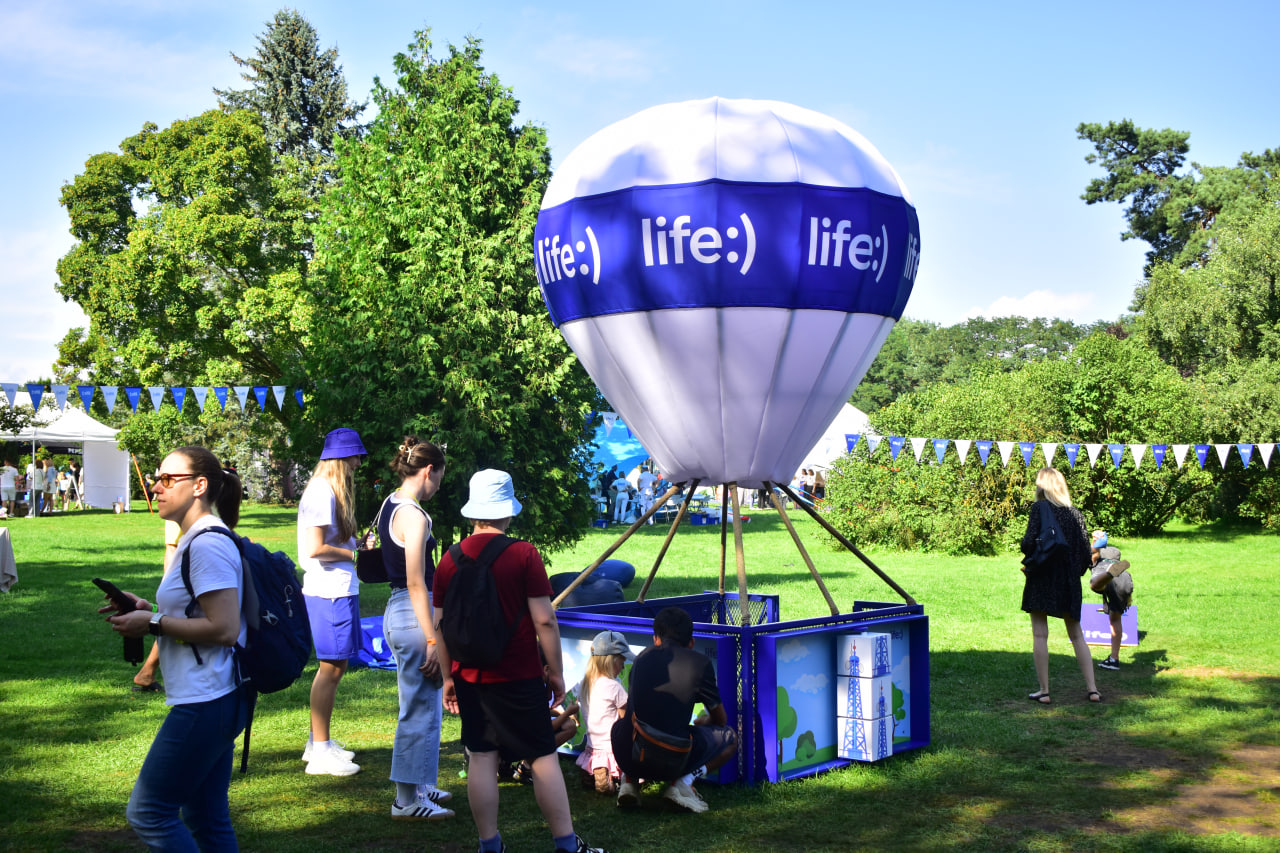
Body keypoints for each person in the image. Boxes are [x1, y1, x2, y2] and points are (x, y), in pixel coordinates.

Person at [433, 469, 607, 853]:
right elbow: (544, 619)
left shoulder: (449, 560)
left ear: (474, 511)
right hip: (518, 674)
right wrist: (557, 672)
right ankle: (565, 844)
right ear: (507, 511)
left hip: (469, 676)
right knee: (542, 754)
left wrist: (448, 677)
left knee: (480, 756)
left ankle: (489, 845)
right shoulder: (523, 554)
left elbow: (439, 625)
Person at [99, 446, 253, 850]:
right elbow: (195, 610)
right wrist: (146, 609)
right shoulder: (195, 540)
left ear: (199, 486)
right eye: (157, 478)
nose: (155, 487)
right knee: (205, 815)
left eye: (168, 479)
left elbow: (223, 627)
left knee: (149, 813)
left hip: (208, 698)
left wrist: (150, 623)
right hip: (216, 694)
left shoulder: (207, 544)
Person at [380, 437, 454, 819]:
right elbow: (416, 582)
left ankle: (420, 785)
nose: (439, 485)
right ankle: (406, 801)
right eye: (439, 477)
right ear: (428, 471)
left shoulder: (390, 503)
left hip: (399, 611)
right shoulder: (414, 515)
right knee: (419, 707)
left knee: (422, 703)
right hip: (413, 613)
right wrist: (432, 638)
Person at [610, 606, 738, 813]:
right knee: (730, 738)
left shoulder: (641, 658)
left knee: (621, 725)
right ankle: (683, 784)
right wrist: (704, 721)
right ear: (692, 642)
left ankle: (629, 782)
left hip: (631, 755)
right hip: (673, 759)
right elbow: (721, 719)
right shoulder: (700, 663)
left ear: (656, 639)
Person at [297, 427, 367, 777]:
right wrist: (354, 553)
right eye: (355, 456)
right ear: (339, 458)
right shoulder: (321, 492)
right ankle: (320, 751)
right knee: (331, 669)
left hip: (337, 588)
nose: (357, 463)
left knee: (335, 667)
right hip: (328, 590)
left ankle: (317, 742)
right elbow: (315, 548)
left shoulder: (327, 491)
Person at [1020, 467, 1100, 704]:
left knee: (1040, 634)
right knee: (1077, 635)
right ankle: (1093, 689)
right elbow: (1086, 554)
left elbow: (1028, 544)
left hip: (1042, 577)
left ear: (1041, 486)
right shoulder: (1076, 514)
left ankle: (1044, 691)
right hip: (1069, 581)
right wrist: (1073, 572)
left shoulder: (1039, 508)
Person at [574, 630, 632, 794]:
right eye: (621, 663)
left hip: (593, 744)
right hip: (613, 746)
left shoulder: (585, 684)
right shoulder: (614, 687)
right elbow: (625, 719)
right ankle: (611, 774)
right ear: (611, 661)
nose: (622, 668)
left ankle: (594, 769)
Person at [132, 519, 182, 693]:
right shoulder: (180, 505)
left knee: (171, 622)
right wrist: (169, 585)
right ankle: (146, 673)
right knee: (171, 622)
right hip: (181, 578)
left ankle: (146, 673)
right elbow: (171, 547)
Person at [1088, 530, 1133, 671]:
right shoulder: (1114, 552)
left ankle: (1109, 574)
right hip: (1125, 579)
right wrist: (1129, 597)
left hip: (1107, 577)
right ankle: (1114, 659)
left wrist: (1095, 542)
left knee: (1094, 584)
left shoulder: (1096, 553)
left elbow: (1093, 553)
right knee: (1115, 620)